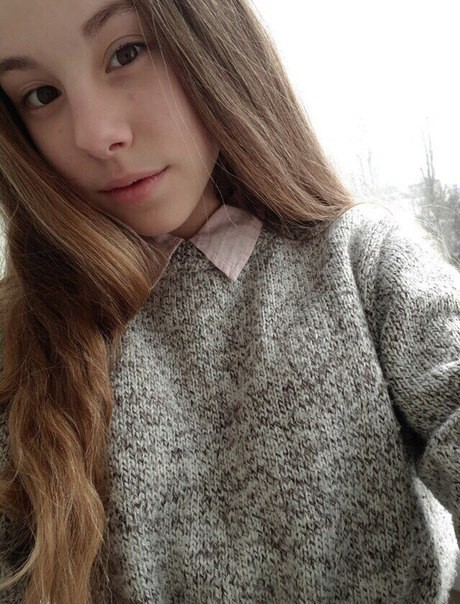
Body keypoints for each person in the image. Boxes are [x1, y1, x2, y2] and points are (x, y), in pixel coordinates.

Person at [0, 0, 458, 602]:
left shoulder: (365, 266)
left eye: (127, 53)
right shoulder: (22, 342)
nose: (96, 136)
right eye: (40, 95)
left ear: (212, 41)